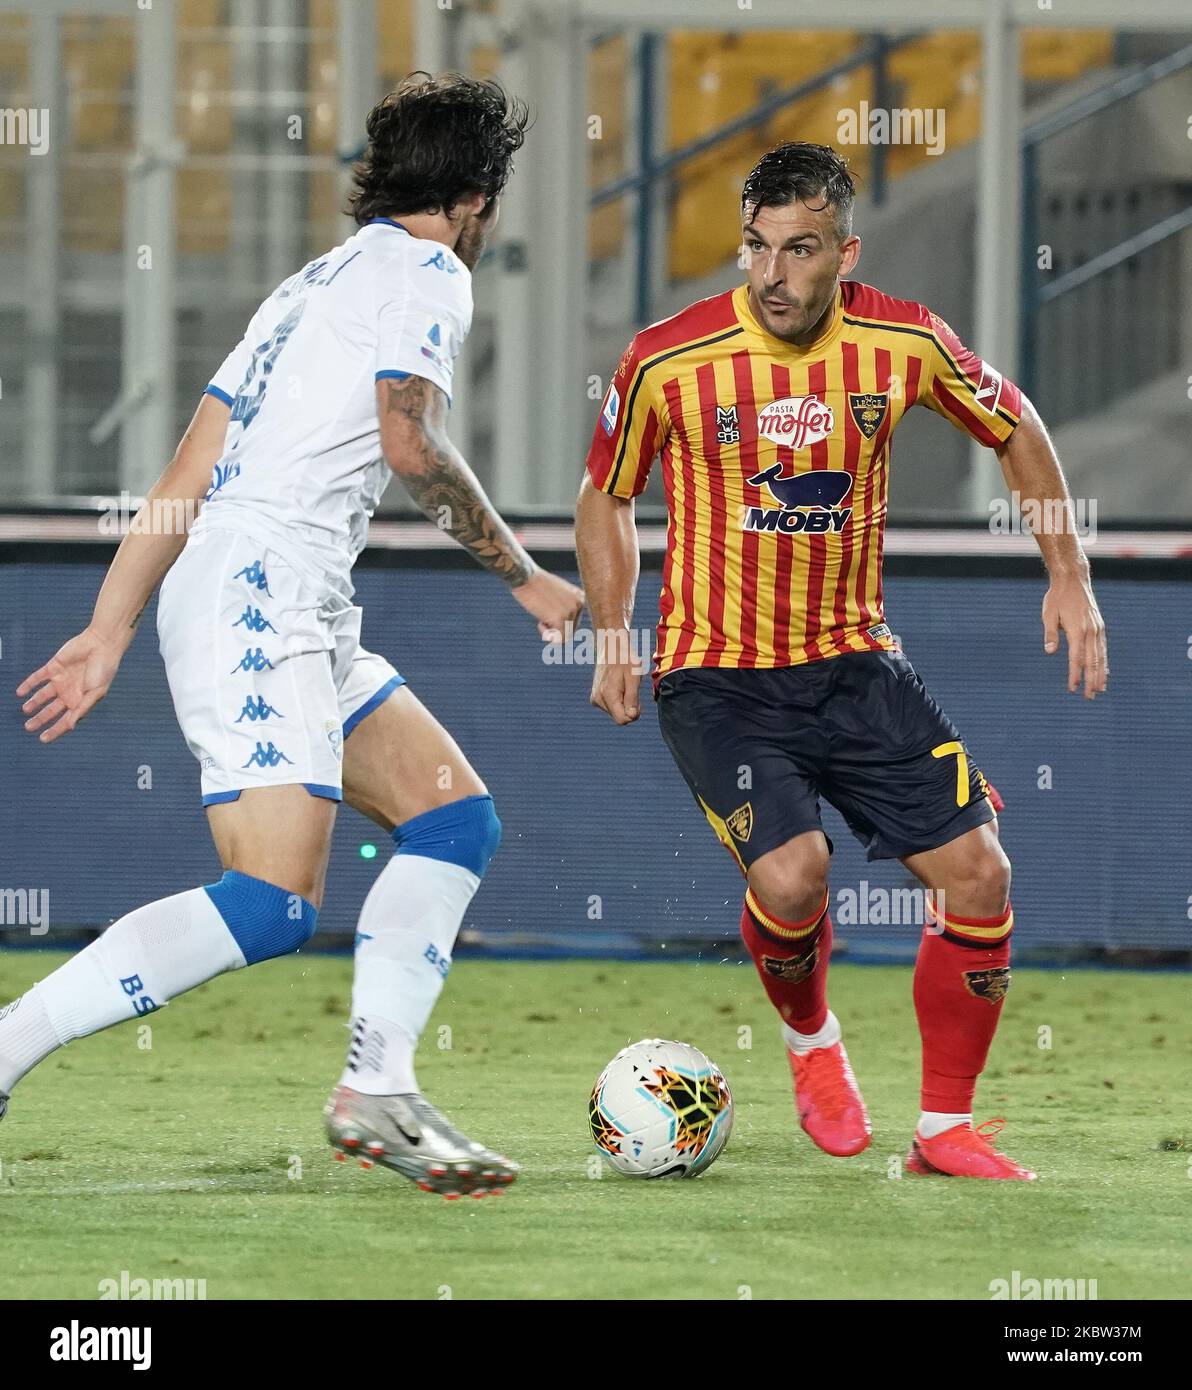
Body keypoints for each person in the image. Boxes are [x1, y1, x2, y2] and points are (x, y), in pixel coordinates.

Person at [4, 73, 583, 1199]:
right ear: (475, 195)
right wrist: (522, 576)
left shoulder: (305, 286)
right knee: (272, 903)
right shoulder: (429, 273)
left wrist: (109, 626)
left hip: (285, 592)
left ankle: (379, 1085)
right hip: (257, 589)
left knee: (453, 818)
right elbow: (409, 443)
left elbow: (184, 470)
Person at [576, 141, 1107, 1181]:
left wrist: (1068, 570)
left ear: (844, 251)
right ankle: (813, 1041)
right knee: (796, 871)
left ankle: (943, 1132)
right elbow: (605, 490)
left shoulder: (903, 341)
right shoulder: (665, 359)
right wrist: (610, 629)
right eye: (757, 248)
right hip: (715, 675)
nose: (773, 273)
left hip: (856, 663)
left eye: (800, 249)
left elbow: (1014, 423)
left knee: (980, 872)